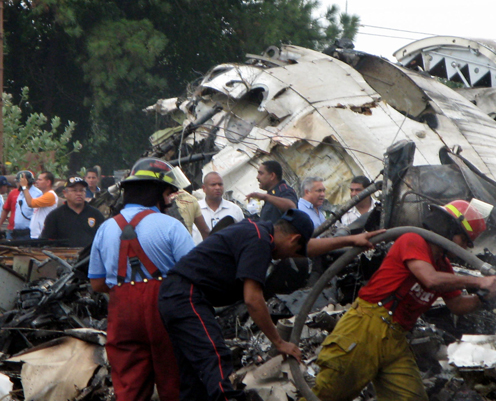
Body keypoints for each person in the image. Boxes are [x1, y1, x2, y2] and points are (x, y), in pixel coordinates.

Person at [158, 209, 384, 401]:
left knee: (193, 377)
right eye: (295, 251)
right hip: (187, 295)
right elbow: (252, 299)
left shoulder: (259, 232)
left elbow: (308, 247)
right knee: (215, 360)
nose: (290, 257)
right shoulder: (259, 241)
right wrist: (279, 342)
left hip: (174, 296)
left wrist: (351, 240)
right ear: (293, 239)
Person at [311, 199, 496, 401]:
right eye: (465, 240)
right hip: (366, 326)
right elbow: (430, 279)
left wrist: (483, 298)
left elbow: (457, 306)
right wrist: (478, 282)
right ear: (450, 229)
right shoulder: (413, 241)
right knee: (328, 394)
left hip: (396, 336)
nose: (465, 248)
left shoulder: (443, 266)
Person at [88, 158, 195, 401]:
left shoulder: (105, 228)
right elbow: (194, 275)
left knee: (129, 387)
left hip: (122, 314)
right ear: (157, 193)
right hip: (166, 311)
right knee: (175, 381)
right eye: (168, 194)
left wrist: (126, 289)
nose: (170, 200)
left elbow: (96, 283)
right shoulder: (172, 226)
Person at [40, 176, 105, 247]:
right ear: (65, 193)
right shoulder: (55, 216)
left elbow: (104, 239)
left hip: (89, 256)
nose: (79, 193)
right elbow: (45, 241)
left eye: (82, 190)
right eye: (75, 190)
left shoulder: (96, 214)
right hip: (63, 256)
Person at [192, 172, 244, 243]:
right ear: (204, 188)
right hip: (200, 252)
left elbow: (242, 235)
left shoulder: (234, 210)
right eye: (213, 185)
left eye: (220, 184)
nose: (217, 188)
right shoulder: (194, 208)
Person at [20, 171, 59, 239]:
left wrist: (24, 187)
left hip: (41, 235)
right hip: (36, 234)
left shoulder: (50, 195)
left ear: (48, 182)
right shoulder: (43, 195)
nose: (37, 181)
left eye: (40, 180)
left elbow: (31, 203)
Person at [14, 170, 42, 240]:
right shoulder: (21, 193)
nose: (17, 184)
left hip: (28, 233)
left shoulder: (36, 193)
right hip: (17, 232)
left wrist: (24, 187)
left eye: (18, 181)